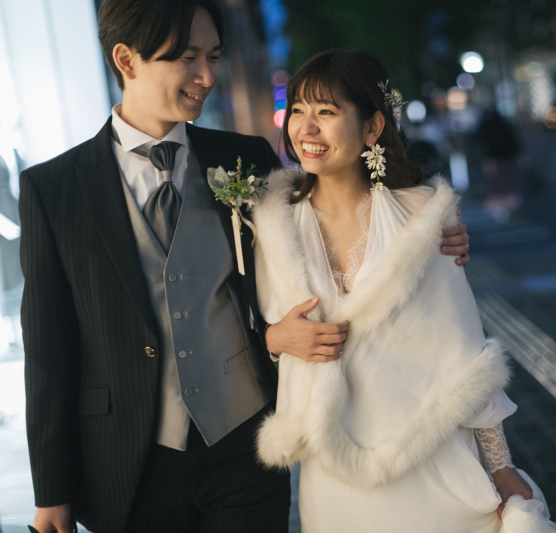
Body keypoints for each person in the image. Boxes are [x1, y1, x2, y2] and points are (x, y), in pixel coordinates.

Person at [19, 2, 470, 532]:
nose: (207, 76)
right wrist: (53, 490)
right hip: (127, 460)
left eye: (213, 56)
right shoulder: (53, 189)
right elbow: (49, 350)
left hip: (244, 447)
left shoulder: (247, 160)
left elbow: (331, 213)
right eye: (187, 58)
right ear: (126, 59)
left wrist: (427, 229)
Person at [252, 49, 556, 533]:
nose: (305, 129)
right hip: (332, 476)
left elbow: (463, 349)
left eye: (326, 113)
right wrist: (275, 339)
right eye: (298, 111)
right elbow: (257, 326)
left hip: (427, 460)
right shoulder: (273, 226)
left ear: (373, 128)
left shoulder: (423, 217)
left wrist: (500, 466)